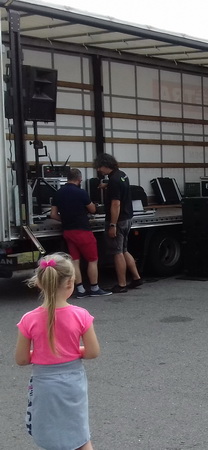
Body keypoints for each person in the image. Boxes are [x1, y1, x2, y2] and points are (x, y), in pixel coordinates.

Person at [15, 253, 100, 450]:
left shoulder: (28, 319)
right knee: (79, 434)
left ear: (39, 283)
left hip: (44, 384)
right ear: (70, 283)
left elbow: (21, 359)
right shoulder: (81, 315)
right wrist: (73, 352)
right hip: (73, 383)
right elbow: (92, 352)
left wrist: (43, 355)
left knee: (50, 433)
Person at [50, 169, 111, 298]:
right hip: (83, 230)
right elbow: (92, 209)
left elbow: (53, 214)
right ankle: (94, 288)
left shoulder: (58, 193)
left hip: (68, 231)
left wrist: (65, 219)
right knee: (92, 260)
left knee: (75, 261)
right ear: (79, 179)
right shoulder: (81, 192)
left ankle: (80, 289)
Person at [94, 154, 143, 293]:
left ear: (106, 165)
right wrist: (107, 185)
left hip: (118, 221)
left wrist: (112, 225)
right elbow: (120, 188)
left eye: (99, 167)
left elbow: (116, 204)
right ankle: (136, 278)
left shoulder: (114, 181)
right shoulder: (122, 175)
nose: (99, 170)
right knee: (124, 250)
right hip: (127, 218)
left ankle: (121, 284)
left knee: (117, 252)